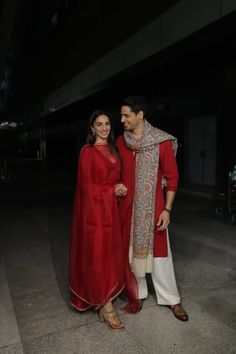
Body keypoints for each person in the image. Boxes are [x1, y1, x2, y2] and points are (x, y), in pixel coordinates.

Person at [116, 96, 188, 321]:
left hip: (154, 209)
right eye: (121, 115)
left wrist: (167, 210)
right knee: (130, 254)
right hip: (127, 210)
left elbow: (172, 177)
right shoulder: (121, 142)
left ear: (140, 115)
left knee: (160, 258)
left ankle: (172, 299)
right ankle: (138, 293)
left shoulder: (161, 141)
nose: (122, 119)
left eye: (126, 115)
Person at [69, 109, 140, 332]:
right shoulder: (87, 152)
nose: (104, 128)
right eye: (99, 124)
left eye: (107, 123)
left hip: (111, 211)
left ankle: (105, 296)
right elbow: (86, 187)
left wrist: (119, 186)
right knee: (98, 256)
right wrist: (112, 189)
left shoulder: (112, 149)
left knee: (109, 256)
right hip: (94, 215)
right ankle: (106, 306)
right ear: (92, 128)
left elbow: (115, 177)